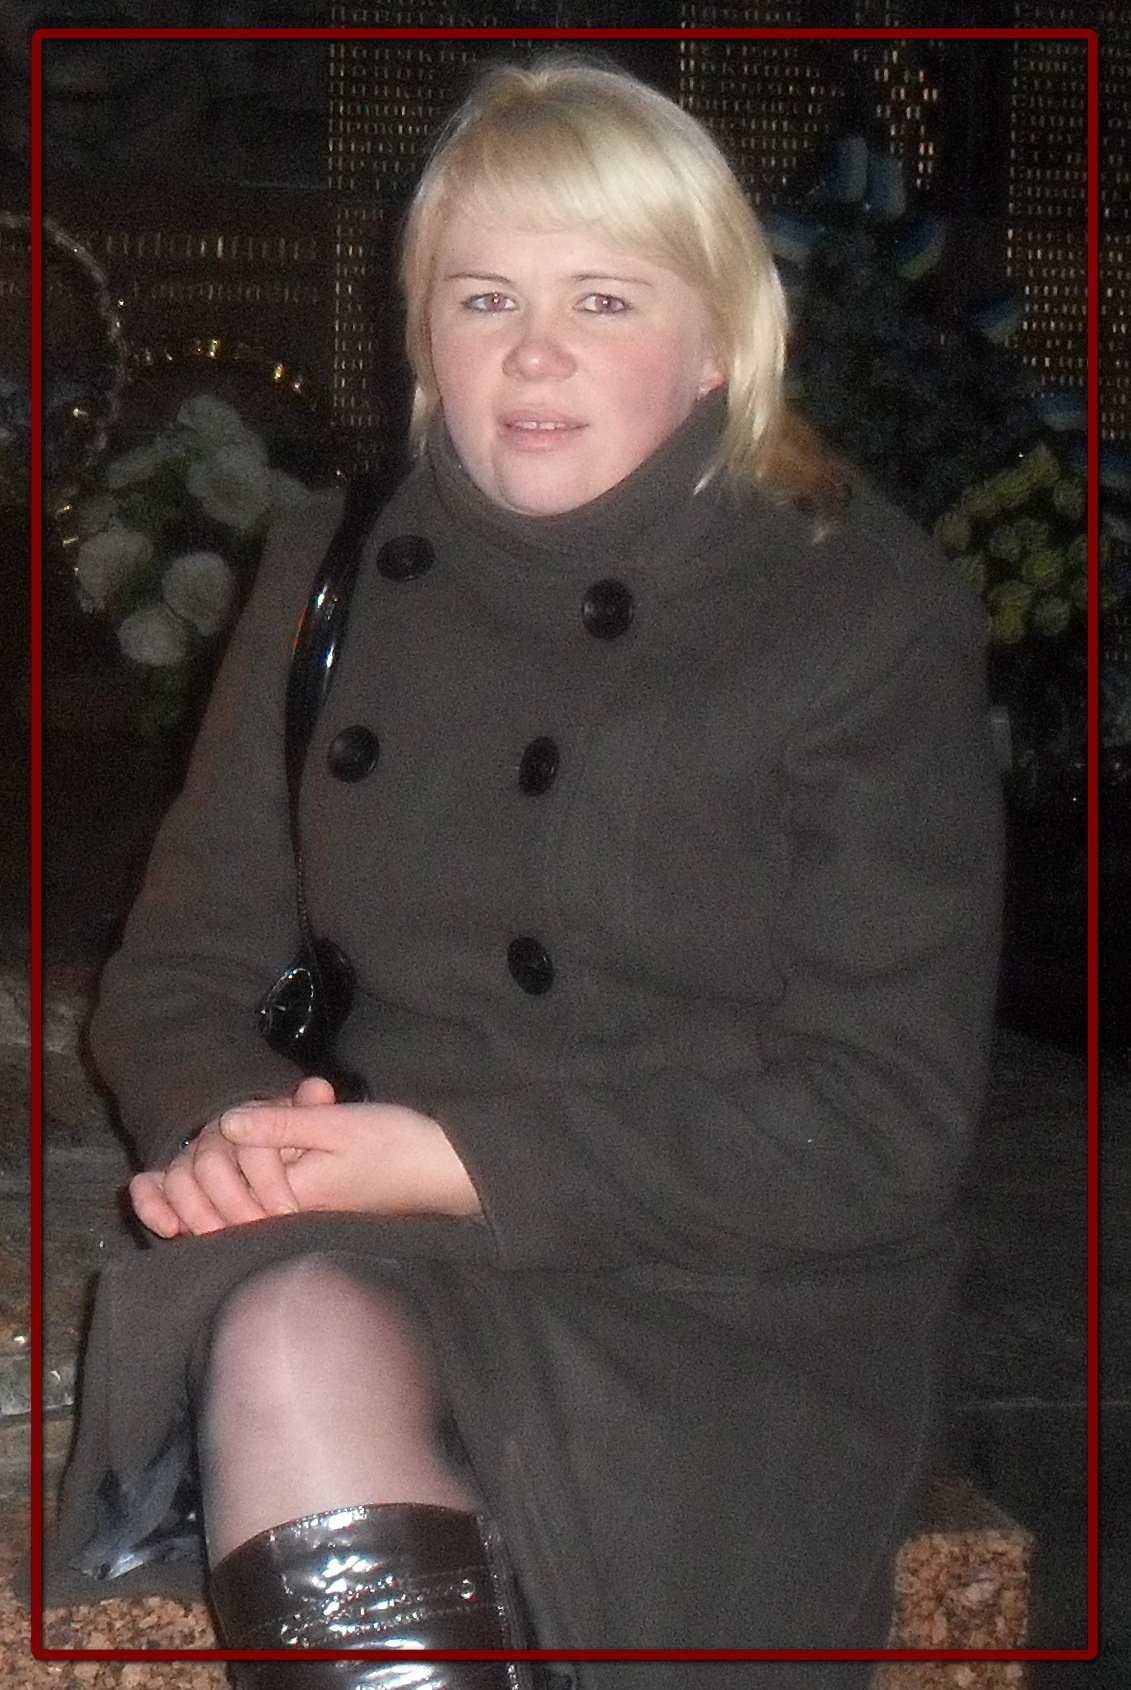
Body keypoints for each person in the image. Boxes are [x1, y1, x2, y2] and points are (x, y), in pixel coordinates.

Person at [48, 54, 1003, 1690]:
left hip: (724, 1281)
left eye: (603, 299)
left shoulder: (857, 609)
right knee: (286, 1334)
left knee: (307, 1333)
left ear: (718, 341)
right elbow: (187, 965)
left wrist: (455, 1161)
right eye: (483, 297)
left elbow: (883, 1120)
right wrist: (232, 1135)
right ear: (425, 338)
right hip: (382, 1233)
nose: (534, 349)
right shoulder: (333, 571)